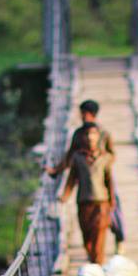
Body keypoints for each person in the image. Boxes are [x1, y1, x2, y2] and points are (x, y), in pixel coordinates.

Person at [47, 99, 125, 254]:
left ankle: (119, 237)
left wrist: (102, 161)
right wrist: (56, 171)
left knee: (114, 213)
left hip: (102, 175)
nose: (82, 116)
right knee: (86, 229)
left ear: (90, 114)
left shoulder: (103, 133)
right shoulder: (78, 134)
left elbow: (112, 154)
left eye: (83, 113)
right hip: (84, 178)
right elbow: (70, 158)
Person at [55, 123, 115, 264]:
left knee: (99, 235)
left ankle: (98, 265)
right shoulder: (77, 158)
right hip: (83, 202)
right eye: (87, 134)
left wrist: (112, 200)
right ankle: (93, 259)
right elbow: (72, 179)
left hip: (101, 202)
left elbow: (109, 181)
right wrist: (65, 195)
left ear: (98, 137)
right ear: (83, 138)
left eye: (93, 134)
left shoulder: (105, 158)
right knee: (87, 238)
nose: (90, 137)